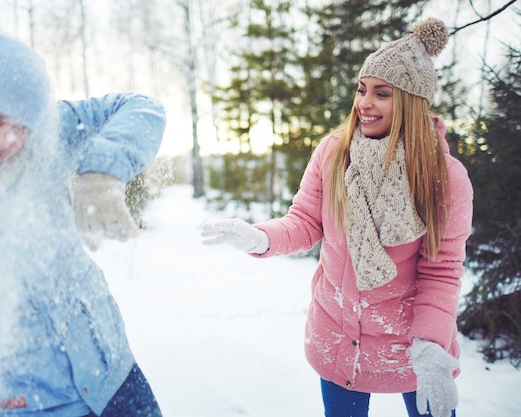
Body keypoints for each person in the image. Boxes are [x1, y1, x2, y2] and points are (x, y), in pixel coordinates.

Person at [201, 18, 473, 417]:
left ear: (412, 102)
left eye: (382, 93)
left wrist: (431, 346)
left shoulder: (444, 177)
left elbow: (442, 271)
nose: (364, 103)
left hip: (414, 347)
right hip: (339, 338)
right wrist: (258, 237)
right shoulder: (334, 152)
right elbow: (305, 221)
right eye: (362, 90)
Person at [0, 32, 166, 417]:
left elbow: (140, 107)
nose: (5, 138)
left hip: (115, 377)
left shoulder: (45, 137)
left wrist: (103, 171)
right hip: (26, 406)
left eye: (21, 126)